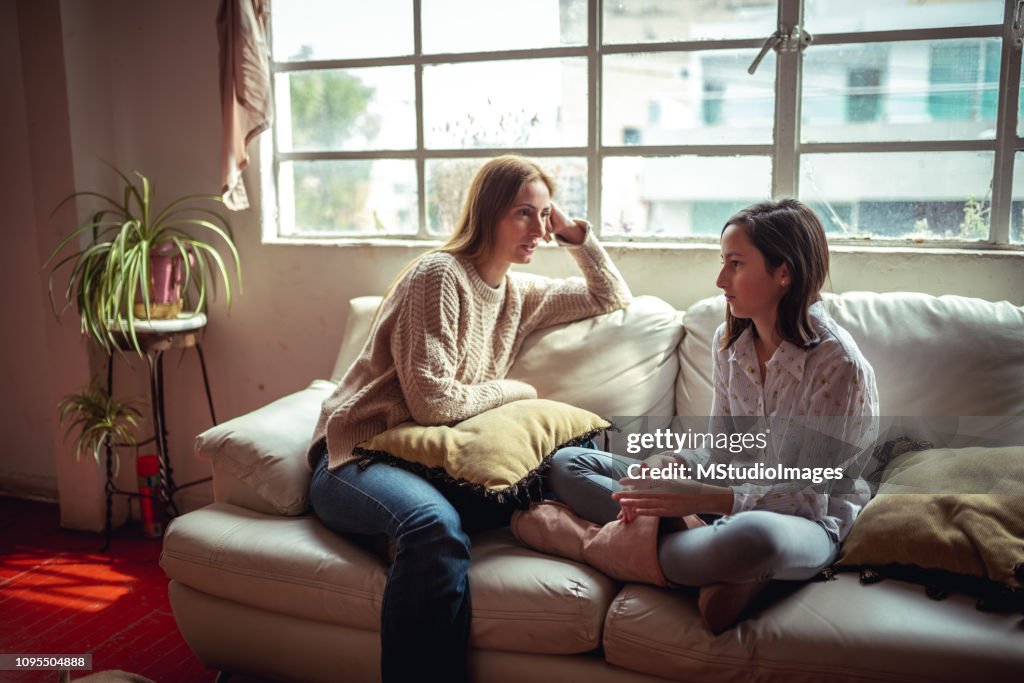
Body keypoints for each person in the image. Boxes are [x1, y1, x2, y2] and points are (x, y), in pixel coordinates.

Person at [307, 155, 632, 682]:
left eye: (544, 215)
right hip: (358, 456)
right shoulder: (439, 275)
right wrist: (516, 390)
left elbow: (609, 295)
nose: (537, 230)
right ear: (488, 213)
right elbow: (432, 402)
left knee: (562, 474)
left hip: (427, 462)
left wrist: (574, 234)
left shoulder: (519, 294)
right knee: (432, 527)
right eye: (524, 214)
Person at [547, 198, 879, 631]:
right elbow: (726, 448)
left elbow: (804, 499)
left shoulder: (839, 365)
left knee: (755, 536)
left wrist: (697, 498)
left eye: (736, 264)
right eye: (723, 262)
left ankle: (622, 547)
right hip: (722, 504)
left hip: (806, 524)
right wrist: (673, 465)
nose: (720, 279)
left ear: (785, 273)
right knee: (570, 464)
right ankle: (699, 558)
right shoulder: (730, 341)